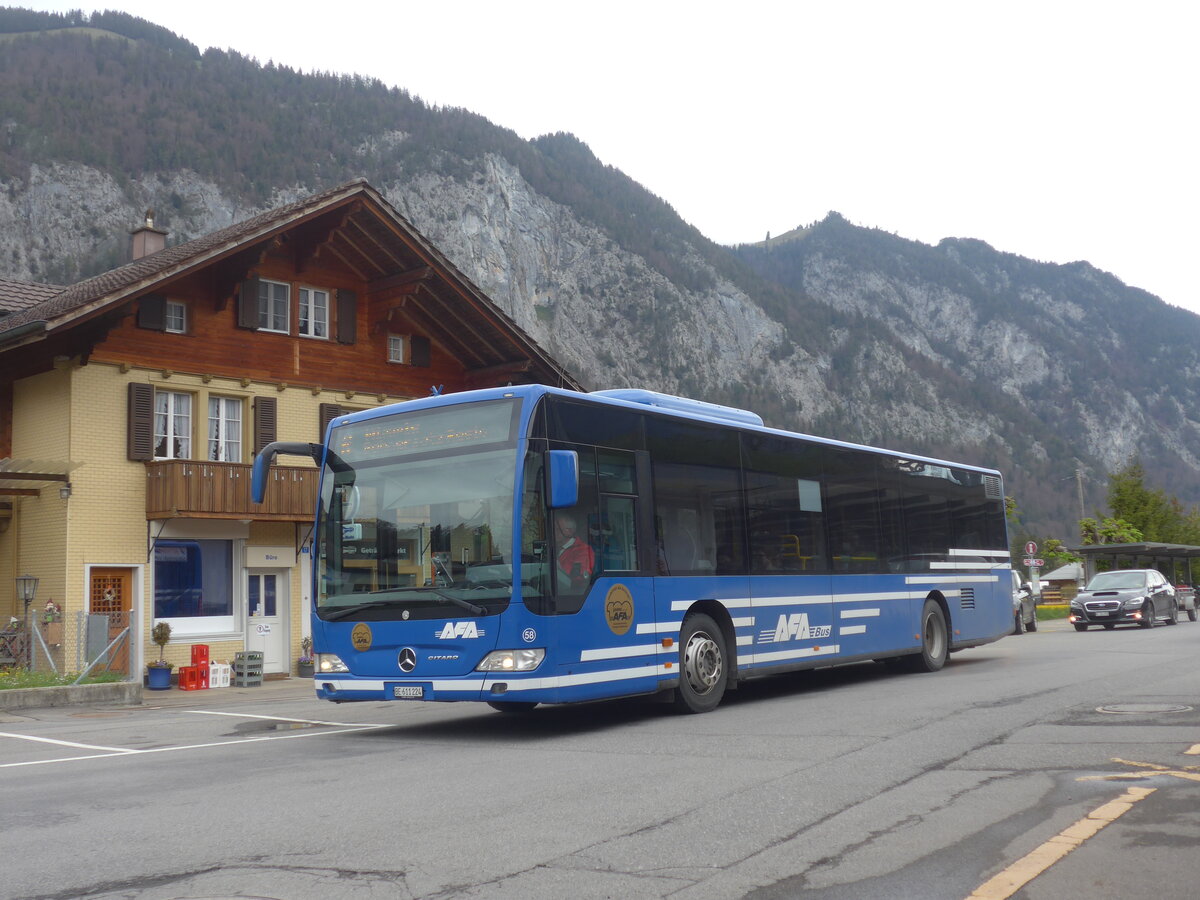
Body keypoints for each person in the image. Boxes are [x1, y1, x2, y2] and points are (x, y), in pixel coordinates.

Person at [555, 513, 595, 590]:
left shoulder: (583, 551)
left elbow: (580, 579)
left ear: (569, 531)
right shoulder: (555, 548)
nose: (553, 532)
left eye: (557, 529)